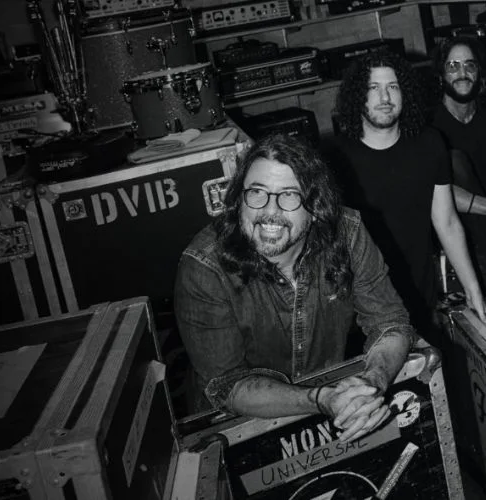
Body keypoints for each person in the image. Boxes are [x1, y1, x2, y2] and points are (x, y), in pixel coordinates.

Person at [174, 133, 415, 443]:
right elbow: (228, 384)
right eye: (257, 192)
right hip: (237, 428)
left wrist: (372, 384)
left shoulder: (348, 232)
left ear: (315, 207)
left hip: (333, 407)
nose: (269, 211)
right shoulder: (204, 266)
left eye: (289, 195)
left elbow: (390, 323)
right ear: (238, 199)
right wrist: (320, 399)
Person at [328, 50, 486, 341]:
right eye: (373, 88)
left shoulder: (429, 144)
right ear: (357, 96)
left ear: (405, 93)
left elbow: (447, 222)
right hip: (361, 308)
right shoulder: (335, 157)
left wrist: (472, 287)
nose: (384, 97)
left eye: (393, 86)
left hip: (420, 295)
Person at [428, 35, 486, 287]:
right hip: (449, 211)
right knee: (455, 160)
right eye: (452, 66)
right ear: (441, 75)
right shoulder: (430, 124)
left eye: (470, 65)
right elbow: (435, 193)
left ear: (480, 73)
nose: (462, 73)